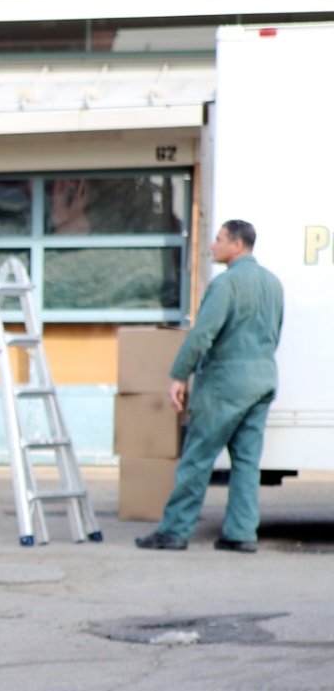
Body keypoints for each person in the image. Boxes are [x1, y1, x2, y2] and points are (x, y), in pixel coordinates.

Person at [134, 219, 284, 555]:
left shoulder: (225, 285)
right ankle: (241, 533)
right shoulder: (273, 284)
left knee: (197, 458)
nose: (212, 246)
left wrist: (178, 375)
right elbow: (275, 332)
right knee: (246, 463)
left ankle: (174, 531)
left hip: (225, 383)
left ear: (237, 245)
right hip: (262, 379)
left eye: (218, 240)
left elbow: (202, 334)